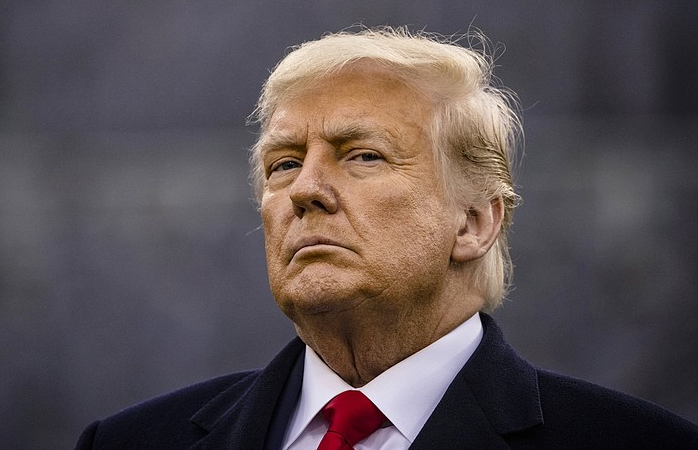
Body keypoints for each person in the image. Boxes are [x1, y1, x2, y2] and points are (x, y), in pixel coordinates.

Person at [75, 27, 698, 449]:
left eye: (363, 156)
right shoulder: (129, 442)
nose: (305, 190)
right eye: (284, 163)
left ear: (476, 222)